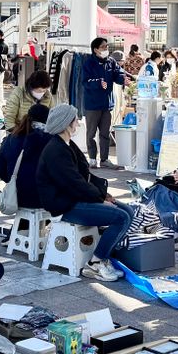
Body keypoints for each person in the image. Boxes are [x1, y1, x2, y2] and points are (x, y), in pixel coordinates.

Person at [36, 104, 132, 282]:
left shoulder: (67, 144)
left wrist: (103, 194)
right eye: (75, 120)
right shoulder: (56, 150)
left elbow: (84, 175)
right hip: (65, 206)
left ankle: (102, 257)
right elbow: (74, 183)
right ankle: (95, 262)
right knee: (121, 217)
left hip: (74, 199)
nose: (78, 124)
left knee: (128, 211)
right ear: (66, 124)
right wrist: (99, 198)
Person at [0, 104, 51, 212]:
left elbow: (1, 167)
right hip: (45, 198)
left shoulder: (12, 138)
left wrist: (12, 181)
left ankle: (25, 227)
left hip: (17, 195)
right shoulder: (51, 140)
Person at [81, 37, 125, 168]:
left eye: (107, 46)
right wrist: (98, 82)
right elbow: (85, 82)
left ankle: (104, 160)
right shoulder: (88, 63)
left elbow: (118, 74)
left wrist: (123, 79)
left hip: (107, 104)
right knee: (91, 133)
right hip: (92, 105)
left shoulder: (111, 62)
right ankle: (92, 158)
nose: (106, 49)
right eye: (103, 47)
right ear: (95, 50)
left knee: (105, 133)